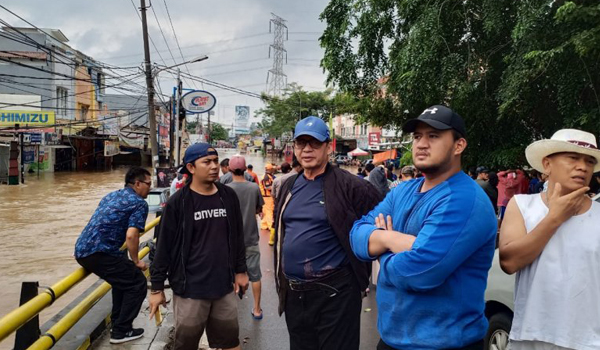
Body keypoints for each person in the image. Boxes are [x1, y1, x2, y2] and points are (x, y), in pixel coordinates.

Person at [350, 105, 497, 350]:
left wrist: (380, 249)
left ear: (458, 145)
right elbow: (356, 235)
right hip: (391, 338)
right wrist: (393, 240)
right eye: (417, 136)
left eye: (434, 136)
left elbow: (418, 273)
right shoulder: (404, 190)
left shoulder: (464, 199)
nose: (421, 144)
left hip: (445, 344)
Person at [273, 116, 383, 350]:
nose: (307, 149)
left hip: (337, 294)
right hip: (295, 294)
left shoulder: (352, 186)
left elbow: (381, 222)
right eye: (301, 143)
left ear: (328, 147)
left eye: (314, 143)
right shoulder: (287, 185)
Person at [499, 129, 600, 350]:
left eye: (589, 161)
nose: (582, 166)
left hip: (588, 340)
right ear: (547, 164)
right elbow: (509, 262)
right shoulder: (523, 206)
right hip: (530, 337)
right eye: (573, 158)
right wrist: (554, 218)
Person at [149, 143, 249, 350]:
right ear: (191, 168)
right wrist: (157, 288)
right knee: (186, 344)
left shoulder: (228, 196)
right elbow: (164, 247)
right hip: (190, 289)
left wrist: (241, 270)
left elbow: (238, 236)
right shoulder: (178, 203)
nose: (214, 166)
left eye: (215, 161)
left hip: (224, 286)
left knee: (231, 343)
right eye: (207, 162)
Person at [74, 167, 151, 344]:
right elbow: (132, 235)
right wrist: (137, 261)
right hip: (101, 252)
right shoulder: (139, 203)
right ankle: (121, 331)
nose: (150, 187)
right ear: (137, 184)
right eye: (148, 183)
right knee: (137, 283)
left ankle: (118, 325)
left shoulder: (111, 195)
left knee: (122, 282)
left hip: (82, 250)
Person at [226, 155, 265, 320]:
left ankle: (228, 312)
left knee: (228, 276)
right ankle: (257, 309)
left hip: (229, 242)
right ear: (245, 170)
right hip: (250, 239)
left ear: (229, 169)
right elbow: (258, 209)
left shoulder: (224, 189)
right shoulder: (254, 187)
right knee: (255, 275)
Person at [260, 163, 276, 244]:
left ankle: (264, 224)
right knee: (270, 210)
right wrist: (275, 188)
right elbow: (267, 187)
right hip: (268, 196)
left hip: (265, 196)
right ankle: (269, 225)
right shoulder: (266, 177)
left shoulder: (266, 176)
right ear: (270, 169)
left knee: (265, 210)